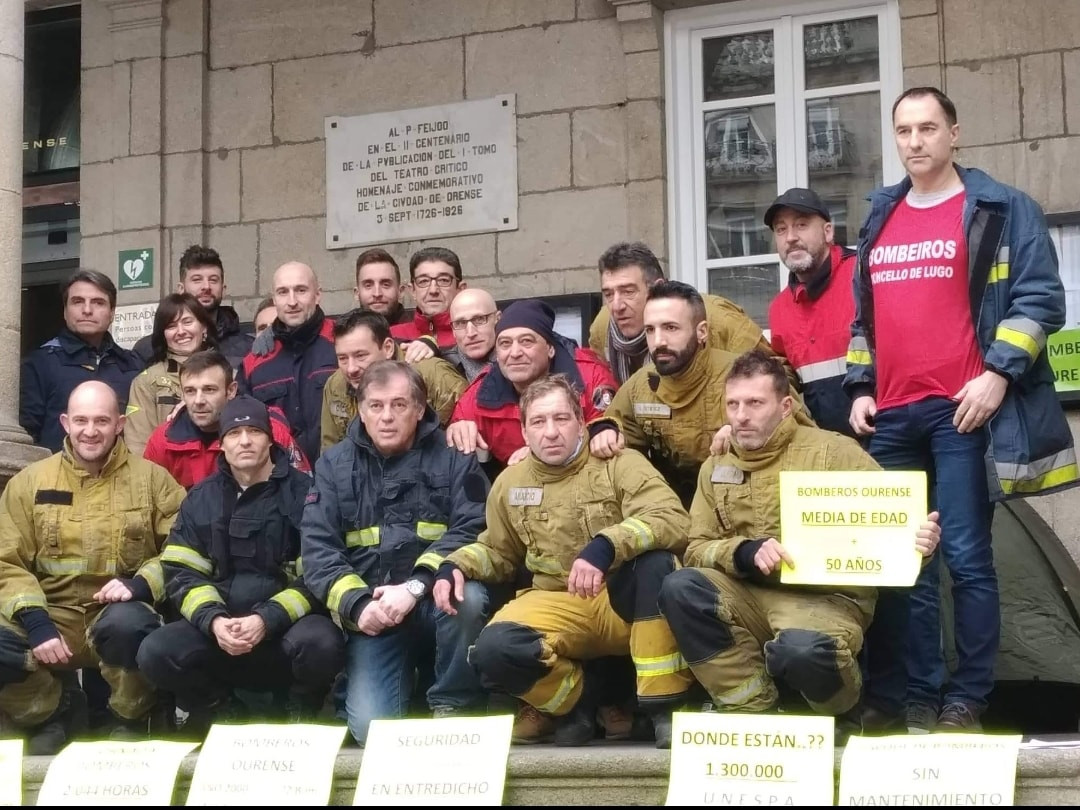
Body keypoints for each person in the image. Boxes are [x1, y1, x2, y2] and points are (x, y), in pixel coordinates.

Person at [845, 86, 1078, 733]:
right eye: (903, 130)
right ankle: (916, 699)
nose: (915, 141)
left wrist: (998, 376)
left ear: (955, 133)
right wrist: (860, 386)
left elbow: (1040, 299)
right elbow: (865, 317)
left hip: (961, 412)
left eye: (927, 128)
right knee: (904, 562)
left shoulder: (1001, 208)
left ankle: (965, 700)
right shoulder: (881, 217)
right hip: (891, 417)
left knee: (967, 559)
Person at [657, 352, 940, 729]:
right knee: (679, 587)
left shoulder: (834, 452)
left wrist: (921, 545)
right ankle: (755, 712)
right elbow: (696, 547)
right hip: (748, 595)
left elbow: (893, 528)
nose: (741, 415)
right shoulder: (716, 465)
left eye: (755, 403)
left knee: (801, 652)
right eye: (733, 404)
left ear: (785, 406)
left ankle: (841, 709)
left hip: (827, 598)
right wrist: (743, 552)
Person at [435, 375, 693, 748]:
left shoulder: (619, 462)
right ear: (524, 432)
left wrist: (606, 546)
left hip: (620, 599)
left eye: (561, 419)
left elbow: (671, 519)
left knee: (657, 566)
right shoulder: (510, 482)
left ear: (581, 421)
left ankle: (663, 709)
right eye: (538, 422)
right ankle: (577, 706)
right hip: (557, 601)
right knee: (493, 650)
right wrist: (454, 566)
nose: (551, 432)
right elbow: (498, 551)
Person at [301, 360, 491, 745]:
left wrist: (417, 585)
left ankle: (453, 702)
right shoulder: (333, 466)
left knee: (467, 597)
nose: (386, 417)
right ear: (360, 410)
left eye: (399, 405)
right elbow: (318, 549)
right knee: (372, 730)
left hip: (433, 598)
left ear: (420, 409)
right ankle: (387, 689)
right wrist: (357, 605)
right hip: (375, 612)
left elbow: (473, 527)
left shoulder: (455, 455)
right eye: (375, 406)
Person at [137, 397, 344, 734]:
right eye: (234, 433)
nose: (245, 440)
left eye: (254, 431)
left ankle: (300, 710)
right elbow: (180, 572)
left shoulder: (306, 494)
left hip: (284, 635)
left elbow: (320, 573)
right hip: (219, 635)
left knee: (323, 643)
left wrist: (267, 619)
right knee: (155, 652)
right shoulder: (201, 498)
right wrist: (214, 620)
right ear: (221, 444)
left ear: (270, 439)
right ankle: (219, 709)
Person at [0, 382, 185, 753]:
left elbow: (183, 550)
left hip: (114, 614)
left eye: (102, 420)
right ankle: (51, 710)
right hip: (51, 615)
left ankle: (129, 718)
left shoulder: (153, 481)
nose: (90, 430)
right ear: (65, 422)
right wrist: (35, 621)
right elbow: (6, 560)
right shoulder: (29, 483)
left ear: (119, 424)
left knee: (130, 626)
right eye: (81, 420)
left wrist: (141, 584)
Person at [593, 281, 810, 507]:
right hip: (673, 512)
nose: (658, 342)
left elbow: (804, 434)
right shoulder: (641, 384)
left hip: (748, 507)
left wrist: (745, 433)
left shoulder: (744, 376)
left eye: (671, 328)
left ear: (702, 332)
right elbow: (614, 420)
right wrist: (605, 430)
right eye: (650, 330)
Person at [447, 300, 618, 468]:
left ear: (550, 349)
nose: (515, 353)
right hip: (520, 488)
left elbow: (610, 432)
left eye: (526, 341)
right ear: (497, 354)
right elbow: (458, 425)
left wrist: (537, 457)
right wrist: (458, 427)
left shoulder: (590, 377)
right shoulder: (481, 395)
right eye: (505, 344)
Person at [589, 242, 781, 385]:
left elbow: (780, 376)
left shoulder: (718, 319)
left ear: (658, 288)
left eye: (628, 292)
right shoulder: (603, 327)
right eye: (608, 294)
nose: (616, 306)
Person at [765, 188, 857, 437]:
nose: (791, 237)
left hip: (888, 436)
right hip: (826, 447)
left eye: (802, 225)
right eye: (781, 229)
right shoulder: (779, 309)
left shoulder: (862, 276)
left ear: (828, 231)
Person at [143, 351, 308, 488]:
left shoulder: (269, 431)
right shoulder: (162, 442)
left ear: (231, 391)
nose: (198, 401)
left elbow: (304, 491)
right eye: (190, 391)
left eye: (209, 389)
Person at [20, 269, 143, 452]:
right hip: (56, 476)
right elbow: (27, 433)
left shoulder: (133, 364)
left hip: (121, 476)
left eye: (98, 302)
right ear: (65, 311)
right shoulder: (39, 363)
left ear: (112, 312)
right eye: (77, 302)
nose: (87, 310)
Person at [320, 310, 465, 452]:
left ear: (387, 348)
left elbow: (469, 432)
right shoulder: (336, 385)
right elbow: (330, 450)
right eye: (343, 358)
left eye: (360, 355)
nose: (351, 368)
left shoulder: (433, 375)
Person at [239, 261, 336, 464]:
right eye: (283, 292)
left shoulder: (343, 343)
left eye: (301, 290)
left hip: (341, 479)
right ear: (274, 299)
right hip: (281, 484)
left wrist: (422, 342)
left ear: (318, 294)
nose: (292, 301)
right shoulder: (255, 361)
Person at [124, 294, 219, 456]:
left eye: (188, 322)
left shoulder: (230, 375)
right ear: (163, 334)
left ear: (204, 327)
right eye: (171, 326)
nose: (181, 331)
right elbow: (139, 447)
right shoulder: (146, 381)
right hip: (165, 476)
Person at [132, 245, 254, 367]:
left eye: (213, 280)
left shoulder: (247, 347)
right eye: (197, 280)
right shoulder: (147, 349)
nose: (206, 286)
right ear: (181, 288)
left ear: (223, 289)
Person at [390, 247, 466, 354]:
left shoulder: (473, 335)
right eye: (423, 281)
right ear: (413, 290)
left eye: (443, 280)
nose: (433, 290)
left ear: (460, 289)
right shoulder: (392, 336)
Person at [445, 288, 499, 381]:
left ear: (498, 319)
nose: (471, 333)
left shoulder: (521, 358)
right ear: (453, 330)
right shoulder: (443, 367)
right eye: (461, 323)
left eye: (479, 319)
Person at [354, 248, 409, 326]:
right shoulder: (342, 336)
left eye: (386, 285)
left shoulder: (419, 336)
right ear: (357, 293)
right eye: (368, 285)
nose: (377, 294)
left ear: (400, 291)